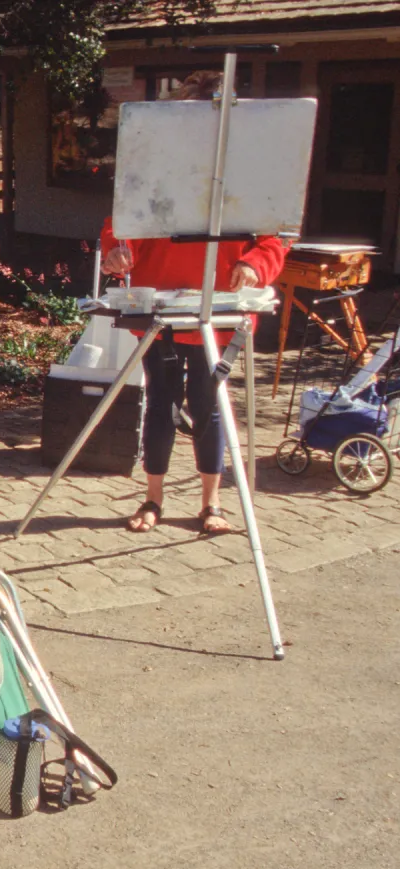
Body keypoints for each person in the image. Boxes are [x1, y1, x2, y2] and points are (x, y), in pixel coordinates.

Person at [102, 70, 289, 536]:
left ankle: (211, 504)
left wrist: (254, 264)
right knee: (160, 404)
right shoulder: (159, 167)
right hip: (163, 311)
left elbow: (274, 240)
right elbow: (123, 223)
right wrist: (118, 251)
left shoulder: (250, 172)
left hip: (220, 313)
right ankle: (153, 499)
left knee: (209, 405)